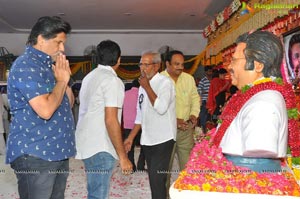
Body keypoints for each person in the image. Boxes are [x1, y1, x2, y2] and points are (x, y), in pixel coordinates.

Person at [6, 16, 75, 199]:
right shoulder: (26, 66)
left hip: (57, 151)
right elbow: (45, 111)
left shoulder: (48, 66)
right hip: (36, 153)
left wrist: (65, 81)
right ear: (41, 39)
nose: (62, 48)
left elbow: (69, 102)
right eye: (58, 42)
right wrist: (60, 81)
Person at [75, 40, 133, 199]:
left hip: (87, 143)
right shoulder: (112, 81)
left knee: (94, 192)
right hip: (101, 145)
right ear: (119, 59)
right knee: (98, 195)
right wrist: (123, 156)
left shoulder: (89, 77)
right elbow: (111, 120)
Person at [124, 50, 176, 199]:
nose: (143, 68)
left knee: (157, 179)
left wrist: (147, 87)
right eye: (141, 64)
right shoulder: (142, 86)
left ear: (157, 66)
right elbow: (140, 116)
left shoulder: (165, 83)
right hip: (147, 140)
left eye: (146, 65)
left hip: (163, 139)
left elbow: (160, 108)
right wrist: (130, 138)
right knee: (154, 180)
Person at [161, 50, 200, 175]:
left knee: (188, 167)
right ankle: (165, 194)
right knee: (164, 169)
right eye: (176, 64)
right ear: (167, 64)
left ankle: (185, 193)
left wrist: (194, 114)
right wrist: (174, 120)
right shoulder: (159, 80)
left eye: (182, 64)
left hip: (185, 129)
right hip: (165, 131)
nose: (180, 67)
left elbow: (195, 98)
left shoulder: (189, 79)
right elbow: (156, 106)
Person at [122, 79, 145, 171]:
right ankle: (141, 165)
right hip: (139, 124)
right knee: (144, 146)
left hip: (127, 124)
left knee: (129, 146)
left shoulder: (125, 94)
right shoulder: (142, 95)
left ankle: (131, 167)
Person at [197, 66, 213, 133]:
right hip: (204, 101)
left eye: (211, 71)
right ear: (206, 72)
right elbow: (199, 90)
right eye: (209, 71)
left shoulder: (213, 80)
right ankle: (203, 130)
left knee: (211, 116)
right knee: (203, 116)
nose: (210, 72)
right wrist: (208, 92)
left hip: (211, 101)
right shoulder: (203, 80)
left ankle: (210, 130)